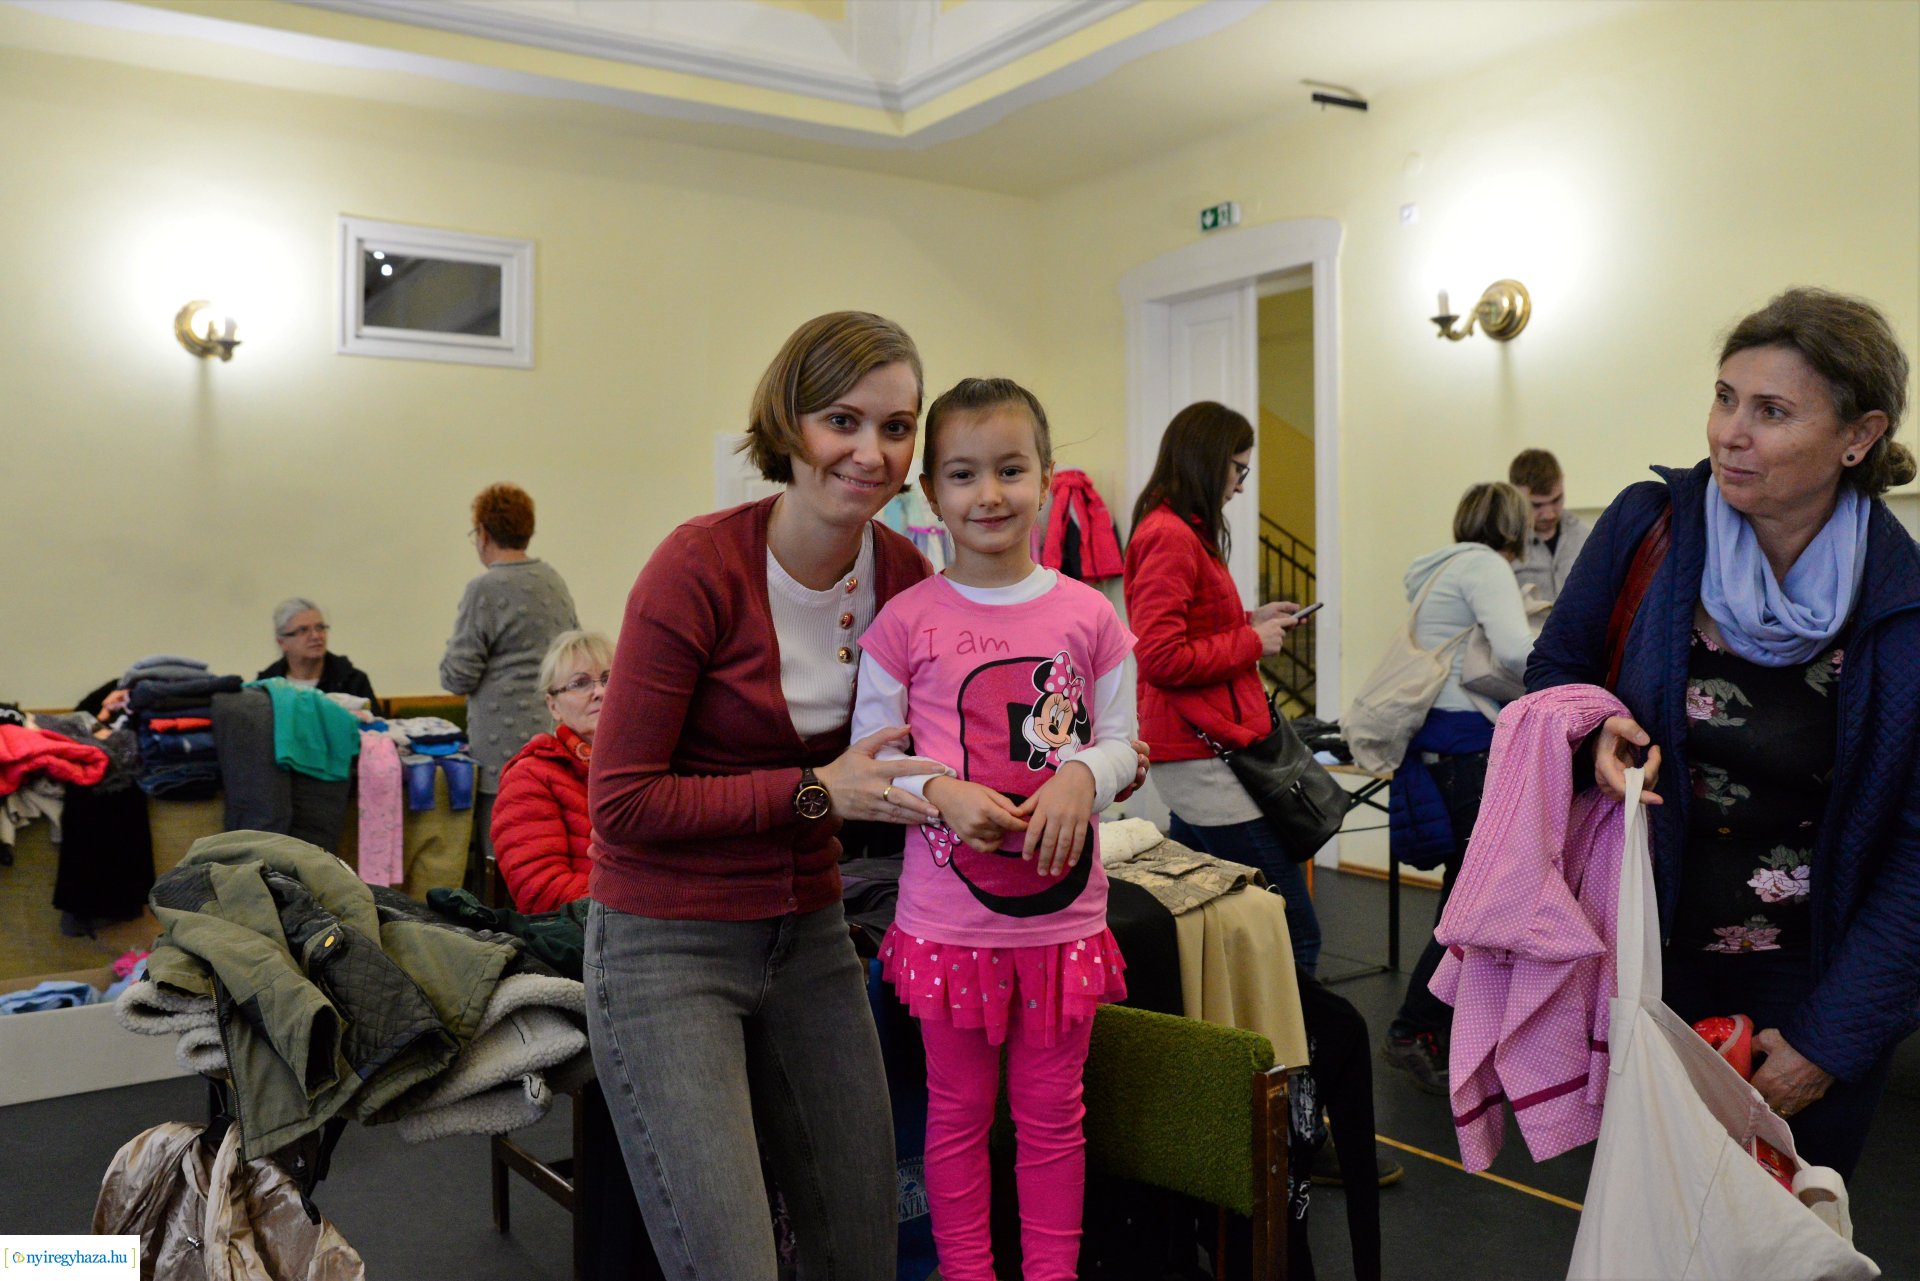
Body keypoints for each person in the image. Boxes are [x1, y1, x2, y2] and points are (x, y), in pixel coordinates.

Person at [585, 312, 947, 1281]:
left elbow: (920, 753)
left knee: (860, 1243)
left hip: (810, 935)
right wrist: (816, 795)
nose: (872, 453)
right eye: (844, 420)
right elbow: (620, 805)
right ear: (789, 425)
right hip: (667, 941)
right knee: (731, 1262)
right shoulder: (697, 567)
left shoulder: (907, 579)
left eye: (899, 426)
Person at [1528, 287, 1918, 1179]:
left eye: (1772, 410)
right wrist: (1592, 735)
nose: (1729, 431)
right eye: (1725, 397)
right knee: (1647, 1227)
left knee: (1781, 1237)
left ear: (1857, 436)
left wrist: (1831, 1038)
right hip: (1646, 960)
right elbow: (1555, 673)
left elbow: (1915, 848)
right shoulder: (1651, 527)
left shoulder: (1900, 601)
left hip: (1811, 981)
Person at [852, 378, 1137, 1281]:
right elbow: (875, 759)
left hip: (1061, 926)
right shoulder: (906, 622)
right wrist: (942, 791)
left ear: (1047, 478)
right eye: (965, 475)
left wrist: (1082, 775)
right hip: (950, 927)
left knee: (1055, 1118)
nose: (990, 495)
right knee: (956, 1112)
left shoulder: (1090, 615)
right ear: (930, 492)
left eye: (1011, 470)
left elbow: (1129, 742)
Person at [1123, 402, 1316, 969]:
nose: (1239, 484)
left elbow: (1189, 631)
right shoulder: (1171, 536)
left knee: (1216, 923)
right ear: (1209, 463)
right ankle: (1293, 1057)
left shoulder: (1182, 532)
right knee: (1292, 933)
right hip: (1202, 752)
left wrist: (1250, 622)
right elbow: (1160, 655)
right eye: (1238, 469)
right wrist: (1254, 643)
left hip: (1203, 747)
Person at [1379, 481, 1536, 1093]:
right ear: (1512, 525)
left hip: (1435, 749)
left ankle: (1438, 1027)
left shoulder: (1438, 569)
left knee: (1462, 897)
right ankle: (1412, 1027)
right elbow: (1519, 652)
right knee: (1469, 905)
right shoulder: (1486, 565)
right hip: (1469, 752)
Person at [440, 482, 578, 887]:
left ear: (483, 534)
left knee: (500, 866)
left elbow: (456, 675)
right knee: (549, 859)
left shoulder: (483, 588)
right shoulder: (553, 580)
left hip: (501, 754)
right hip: (555, 742)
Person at [488, 630, 611, 914]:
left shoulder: (649, 760)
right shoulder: (529, 776)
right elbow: (541, 892)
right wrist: (646, 899)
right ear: (553, 706)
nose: (600, 692)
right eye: (580, 683)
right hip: (590, 937)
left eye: (609, 679)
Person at [257, 598, 377, 704]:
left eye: (320, 628)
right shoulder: (266, 687)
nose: (315, 636)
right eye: (303, 630)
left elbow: (378, 728)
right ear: (282, 642)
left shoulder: (352, 681)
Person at [1508, 448, 1591, 602]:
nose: (1549, 514)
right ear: (1515, 496)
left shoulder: (1586, 537)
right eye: (1536, 505)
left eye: (1556, 500)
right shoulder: (1504, 547)